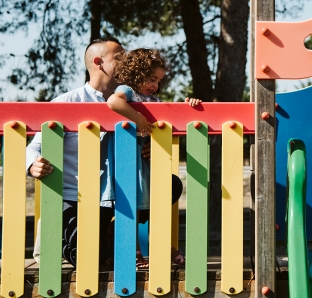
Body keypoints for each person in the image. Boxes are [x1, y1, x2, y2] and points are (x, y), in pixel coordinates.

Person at [26, 37, 125, 268]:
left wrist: (148, 148)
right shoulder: (66, 103)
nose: (127, 62)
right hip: (74, 198)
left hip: (114, 199)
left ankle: (110, 235)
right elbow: (34, 147)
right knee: (88, 259)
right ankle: (57, 233)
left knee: (170, 184)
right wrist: (33, 164)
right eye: (120, 58)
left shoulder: (132, 103)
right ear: (98, 62)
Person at [107, 48, 201, 267]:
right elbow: (113, 102)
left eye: (159, 80)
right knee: (133, 207)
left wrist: (191, 106)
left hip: (148, 165)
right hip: (130, 163)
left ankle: (160, 247)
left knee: (154, 207)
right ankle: (134, 251)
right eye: (151, 79)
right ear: (136, 74)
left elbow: (174, 120)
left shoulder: (154, 100)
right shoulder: (128, 91)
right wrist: (138, 118)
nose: (155, 85)